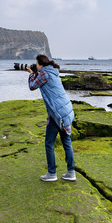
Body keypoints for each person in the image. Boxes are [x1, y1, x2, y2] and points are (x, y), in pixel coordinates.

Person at [27, 54, 76, 182]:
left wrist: (31, 73)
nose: (35, 65)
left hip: (58, 114)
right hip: (66, 110)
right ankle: (71, 172)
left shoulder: (44, 74)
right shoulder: (53, 72)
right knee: (67, 141)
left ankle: (52, 173)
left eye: (36, 63)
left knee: (49, 143)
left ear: (40, 64)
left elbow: (32, 86)